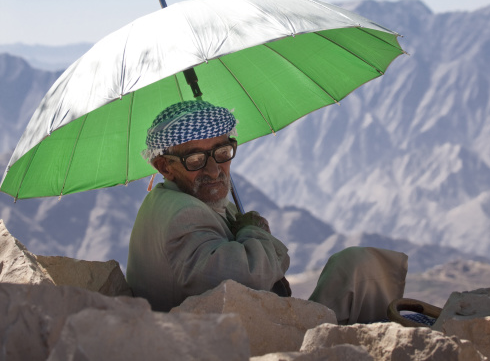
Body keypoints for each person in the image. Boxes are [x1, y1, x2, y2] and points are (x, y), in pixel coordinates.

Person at [126, 99, 407, 323]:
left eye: (222, 153)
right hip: (237, 347)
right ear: (165, 167)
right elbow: (247, 277)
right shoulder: (183, 214)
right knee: (359, 270)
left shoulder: (187, 200)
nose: (214, 170)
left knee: (355, 264)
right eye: (196, 158)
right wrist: (253, 231)